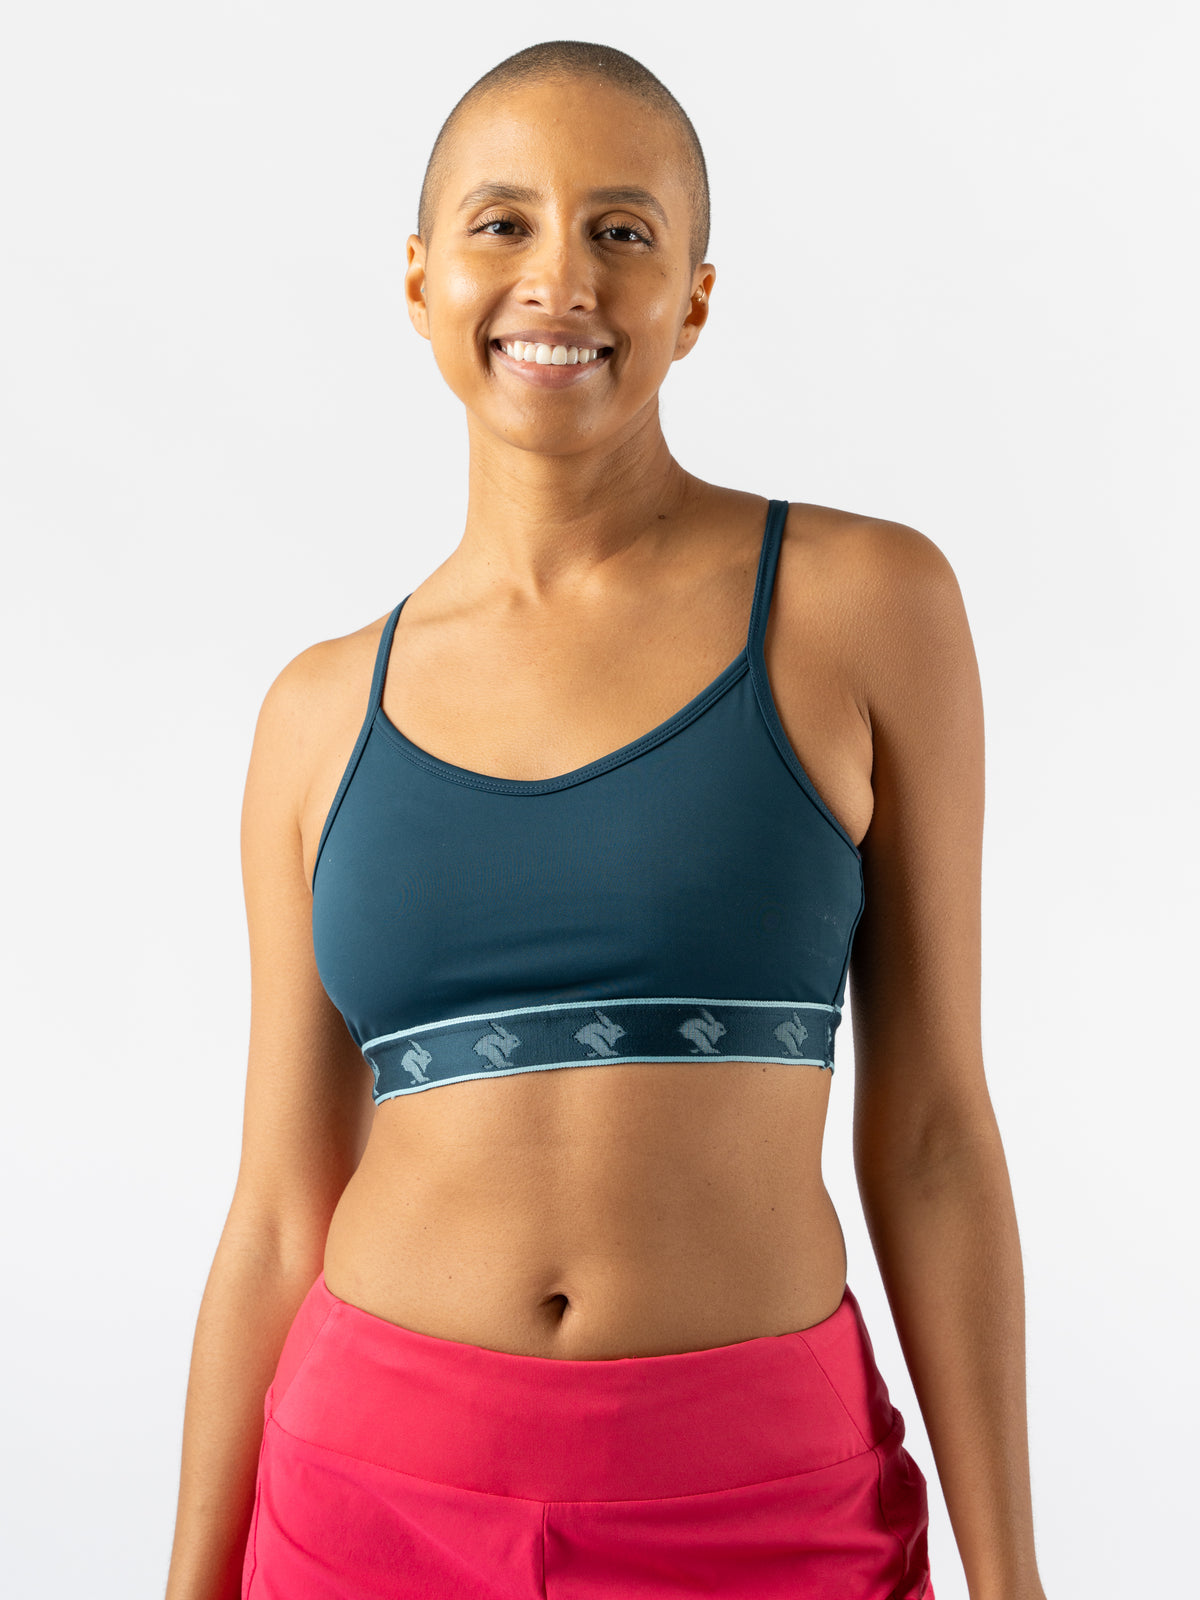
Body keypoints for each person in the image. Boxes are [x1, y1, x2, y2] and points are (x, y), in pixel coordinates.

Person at [164, 38, 1047, 1600]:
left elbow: (931, 1138)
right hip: (368, 1502)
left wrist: (1015, 1576)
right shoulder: (317, 714)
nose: (558, 278)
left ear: (693, 298)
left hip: (758, 1499)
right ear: (423, 279)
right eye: (502, 223)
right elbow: (281, 1214)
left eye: (620, 230)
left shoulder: (862, 607)